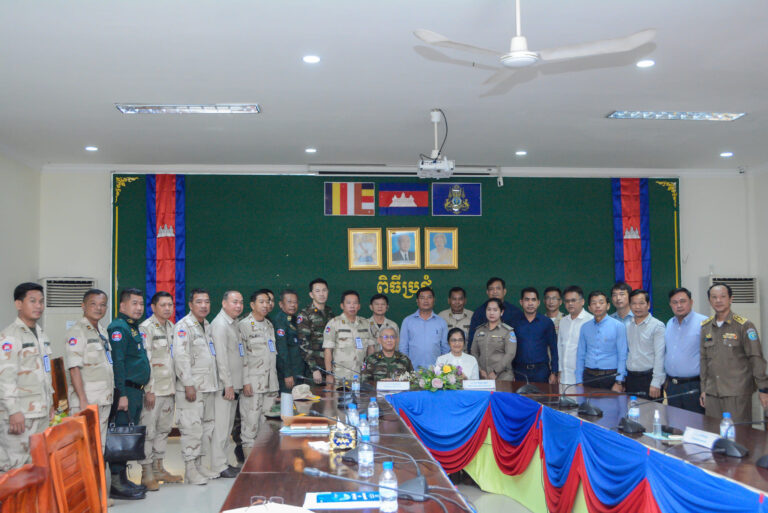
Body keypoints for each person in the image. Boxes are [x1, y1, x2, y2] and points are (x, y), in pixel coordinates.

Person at [0, 283, 54, 473]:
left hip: (40, 413)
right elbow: (5, 378)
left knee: (37, 466)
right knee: (16, 470)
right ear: (18, 304)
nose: (38, 306)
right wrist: (14, 411)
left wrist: (50, 403)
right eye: (32, 301)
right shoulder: (10, 337)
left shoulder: (41, 335)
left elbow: (46, 372)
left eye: (41, 301)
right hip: (20, 416)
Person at [700, 283, 768, 422]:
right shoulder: (706, 327)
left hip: (737, 393)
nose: (718, 300)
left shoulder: (744, 325)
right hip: (712, 393)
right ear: (709, 301)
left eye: (723, 296)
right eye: (714, 297)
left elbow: (756, 357)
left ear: (731, 299)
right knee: (713, 432)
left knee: (738, 433)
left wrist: (763, 389)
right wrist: (704, 389)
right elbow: (704, 360)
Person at [108, 288, 151, 499]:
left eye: (141, 304)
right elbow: (118, 362)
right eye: (134, 303)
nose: (139, 308)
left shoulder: (132, 328)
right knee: (121, 434)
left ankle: (123, 480)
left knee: (126, 435)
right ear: (122, 306)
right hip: (126, 390)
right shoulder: (118, 328)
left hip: (136, 391)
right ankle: (117, 483)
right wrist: (122, 393)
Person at [173, 288, 219, 485]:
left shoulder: (206, 325)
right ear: (190, 305)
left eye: (207, 301)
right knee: (191, 429)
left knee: (205, 429)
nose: (204, 305)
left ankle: (200, 465)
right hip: (191, 388)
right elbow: (180, 357)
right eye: (199, 302)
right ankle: (190, 469)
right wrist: (188, 384)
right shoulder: (183, 326)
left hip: (208, 386)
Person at [137, 291, 183, 489]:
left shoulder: (172, 327)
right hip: (153, 391)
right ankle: (146, 473)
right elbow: (145, 361)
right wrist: (149, 389)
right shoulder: (146, 328)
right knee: (149, 431)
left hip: (169, 389)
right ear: (153, 307)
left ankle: (159, 468)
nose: (167, 308)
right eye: (163, 305)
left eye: (170, 305)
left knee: (163, 430)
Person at [65, 289, 112, 444]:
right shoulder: (77, 331)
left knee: (99, 445)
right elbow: (74, 368)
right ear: (83, 306)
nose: (99, 308)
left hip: (103, 399)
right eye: (93, 304)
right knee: (84, 446)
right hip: (86, 401)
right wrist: (83, 400)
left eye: (102, 305)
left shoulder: (102, 332)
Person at [237, 289, 279, 458]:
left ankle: (263, 461)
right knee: (250, 424)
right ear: (252, 305)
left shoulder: (269, 325)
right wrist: (245, 381)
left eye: (267, 301)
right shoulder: (244, 325)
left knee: (266, 425)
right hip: (253, 384)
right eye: (261, 302)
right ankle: (249, 464)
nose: (265, 305)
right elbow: (242, 356)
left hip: (270, 383)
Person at [209, 290, 244, 479]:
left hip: (234, 384)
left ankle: (223, 461)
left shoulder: (234, 323)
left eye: (241, 302)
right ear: (224, 303)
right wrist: (227, 384)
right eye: (234, 302)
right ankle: (218, 466)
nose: (238, 306)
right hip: (225, 386)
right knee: (221, 427)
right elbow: (221, 358)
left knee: (228, 426)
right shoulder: (220, 325)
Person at [664, 287, 707, 413]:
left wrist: (706, 389)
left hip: (693, 385)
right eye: (675, 302)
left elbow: (711, 358)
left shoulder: (704, 323)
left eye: (683, 301)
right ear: (670, 305)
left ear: (691, 302)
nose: (679, 305)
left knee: (694, 422)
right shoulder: (670, 323)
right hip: (672, 386)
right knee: (674, 421)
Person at [575, 291, 627, 391]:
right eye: (594, 303)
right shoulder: (585, 327)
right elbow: (580, 355)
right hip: (588, 377)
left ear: (608, 306)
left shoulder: (618, 326)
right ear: (589, 308)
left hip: (610, 377)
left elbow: (622, 355)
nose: (597, 306)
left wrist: (619, 381)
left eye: (601, 302)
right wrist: (579, 380)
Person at [323, 290, 374, 383]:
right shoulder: (334, 323)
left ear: (359, 306)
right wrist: (329, 373)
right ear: (342, 306)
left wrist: (370, 370)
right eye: (348, 303)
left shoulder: (366, 324)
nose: (352, 306)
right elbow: (328, 350)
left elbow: (371, 348)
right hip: (339, 376)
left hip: (361, 375)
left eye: (355, 303)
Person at [625, 289, 666, 399]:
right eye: (634, 303)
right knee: (631, 408)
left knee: (651, 409)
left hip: (649, 378)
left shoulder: (657, 326)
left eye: (641, 303)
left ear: (648, 305)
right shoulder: (628, 325)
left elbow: (660, 356)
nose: (637, 307)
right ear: (630, 305)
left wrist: (656, 382)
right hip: (631, 378)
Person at [513, 287, 558, 384]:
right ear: (521, 302)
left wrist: (554, 372)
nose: (530, 303)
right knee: (520, 394)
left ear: (538, 302)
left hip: (541, 371)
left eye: (533, 300)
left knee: (541, 395)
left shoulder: (547, 322)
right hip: (519, 371)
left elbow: (554, 348)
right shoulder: (514, 322)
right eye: (527, 299)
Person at [399, 287, 449, 371]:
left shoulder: (441, 322)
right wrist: (407, 367)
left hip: (435, 372)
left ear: (434, 300)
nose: (426, 301)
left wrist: (441, 369)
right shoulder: (407, 321)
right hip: (413, 370)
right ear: (417, 301)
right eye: (422, 298)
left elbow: (445, 348)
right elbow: (403, 347)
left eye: (429, 297)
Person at [467, 277, 524, 351]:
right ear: (487, 292)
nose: (495, 292)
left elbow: (521, 339)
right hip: (485, 355)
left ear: (504, 291)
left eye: (498, 288)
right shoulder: (479, 312)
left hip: (511, 355)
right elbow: (472, 340)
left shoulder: (515, 312)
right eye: (491, 289)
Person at [297, 278, 334, 384]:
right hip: (313, 370)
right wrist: (314, 369)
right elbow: (303, 344)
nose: (321, 294)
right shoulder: (305, 314)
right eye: (317, 291)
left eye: (324, 290)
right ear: (311, 294)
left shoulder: (330, 312)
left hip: (330, 367)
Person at [470, 299, 516, 380]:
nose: (491, 313)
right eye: (489, 309)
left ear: (501, 312)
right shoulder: (479, 330)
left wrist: (495, 372)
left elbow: (510, 354)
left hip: (503, 376)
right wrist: (480, 370)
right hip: (483, 376)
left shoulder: (507, 331)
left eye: (495, 310)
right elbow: (474, 352)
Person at [557, 286, 593, 385]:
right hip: (564, 377)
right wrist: (560, 370)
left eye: (573, 300)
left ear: (582, 301)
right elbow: (560, 347)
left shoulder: (590, 321)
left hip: (582, 378)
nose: (570, 304)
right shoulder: (563, 321)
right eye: (567, 301)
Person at [275, 289, 308, 392]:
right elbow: (281, 350)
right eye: (289, 302)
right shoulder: (280, 321)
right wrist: (287, 374)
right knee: (288, 400)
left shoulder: (295, 320)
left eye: (295, 302)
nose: (293, 305)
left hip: (299, 371)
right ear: (281, 304)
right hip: (288, 375)